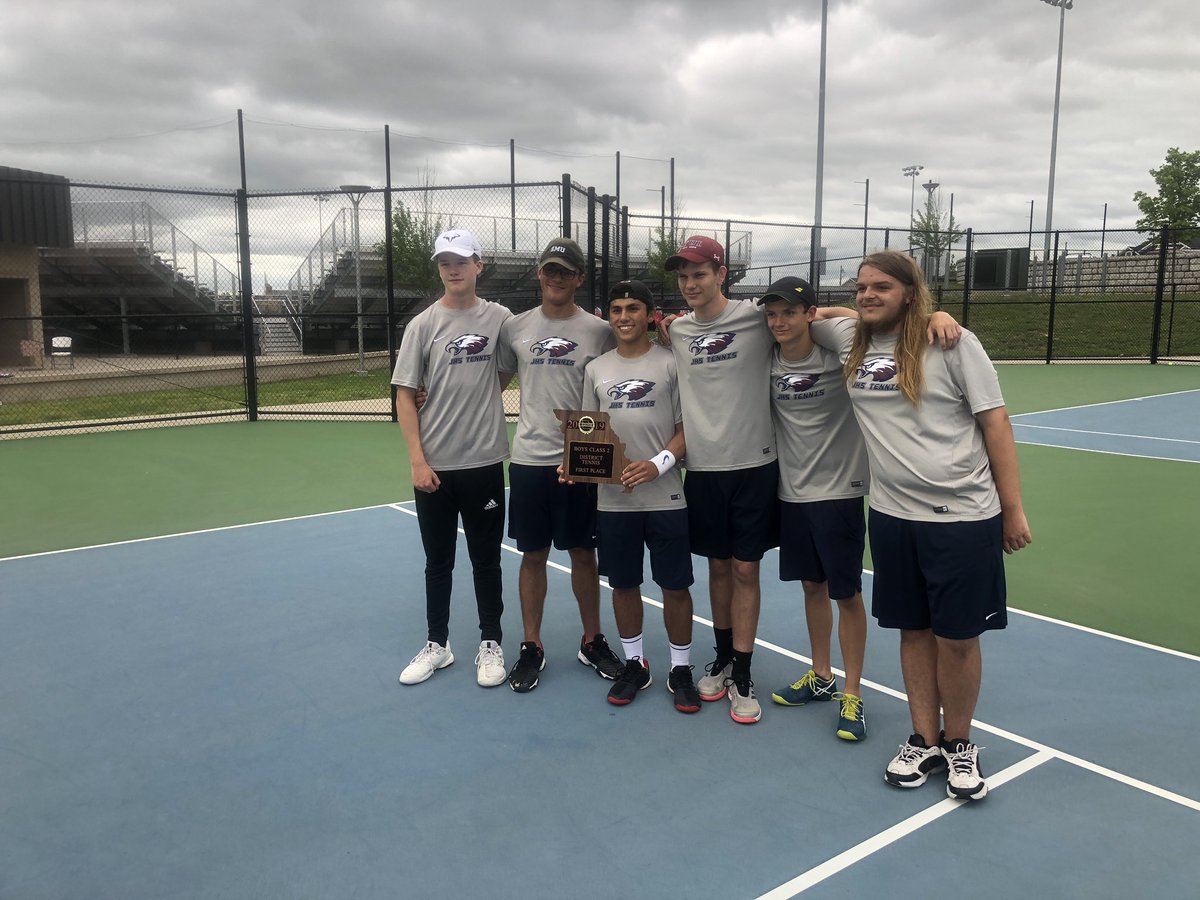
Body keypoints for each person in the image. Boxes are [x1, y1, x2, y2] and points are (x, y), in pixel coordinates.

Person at [819, 250, 1031, 800]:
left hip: (961, 518)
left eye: (882, 287)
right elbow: (814, 313)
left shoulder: (954, 343)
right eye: (861, 287)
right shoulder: (851, 341)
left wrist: (1013, 509)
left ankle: (961, 745)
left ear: (911, 292)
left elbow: (996, 424)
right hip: (890, 517)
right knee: (913, 631)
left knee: (957, 639)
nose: (868, 295)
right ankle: (925, 738)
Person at [662, 236, 780, 724]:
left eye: (699, 274)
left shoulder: (757, 317)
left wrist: (931, 317)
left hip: (754, 466)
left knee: (746, 570)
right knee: (716, 569)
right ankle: (725, 656)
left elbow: (826, 316)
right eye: (683, 276)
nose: (691, 283)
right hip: (704, 469)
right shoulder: (677, 331)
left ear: (721, 273)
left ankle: (745, 673)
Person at [497, 236, 623, 692]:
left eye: (565, 272)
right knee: (532, 555)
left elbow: (621, 376)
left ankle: (592, 640)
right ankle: (532, 645)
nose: (556, 277)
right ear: (539, 273)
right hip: (530, 459)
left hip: (581, 461)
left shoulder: (599, 330)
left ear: (579, 279)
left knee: (583, 554)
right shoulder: (514, 327)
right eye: (550, 269)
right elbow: (493, 380)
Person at [392, 229, 512, 689]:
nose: (453, 268)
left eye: (461, 260)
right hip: (434, 470)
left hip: (483, 463)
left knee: (486, 561)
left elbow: (503, 371)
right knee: (438, 561)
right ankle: (437, 645)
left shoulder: (500, 318)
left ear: (479, 265)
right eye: (444, 262)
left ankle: (490, 643)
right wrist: (417, 462)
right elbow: (405, 397)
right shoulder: (421, 325)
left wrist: (478, 402)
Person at [577, 279, 699, 712]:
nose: (624, 317)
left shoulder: (671, 364)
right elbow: (588, 434)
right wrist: (576, 463)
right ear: (607, 316)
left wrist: (657, 465)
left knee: (675, 586)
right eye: (616, 310)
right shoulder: (596, 369)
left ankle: (680, 668)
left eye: (633, 308)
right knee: (623, 584)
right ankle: (635, 663)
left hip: (666, 498)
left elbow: (686, 432)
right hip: (613, 503)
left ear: (650, 315)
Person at [760, 276, 871, 741]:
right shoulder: (766, 360)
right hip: (793, 494)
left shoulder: (836, 355)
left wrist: (833, 313)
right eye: (773, 313)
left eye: (790, 311)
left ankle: (852, 693)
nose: (780, 321)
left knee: (845, 595)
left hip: (840, 493)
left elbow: (868, 322)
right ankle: (821, 674)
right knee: (811, 586)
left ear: (809, 314)